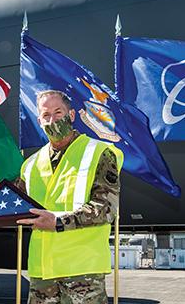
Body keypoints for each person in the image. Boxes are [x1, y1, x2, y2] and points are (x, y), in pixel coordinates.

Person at [16, 90, 123, 304]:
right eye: (46, 115)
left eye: (58, 112)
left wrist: (57, 222)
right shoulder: (30, 165)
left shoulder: (99, 153)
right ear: (39, 120)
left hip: (82, 271)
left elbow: (106, 208)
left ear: (71, 115)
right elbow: (17, 206)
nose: (52, 119)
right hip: (42, 270)